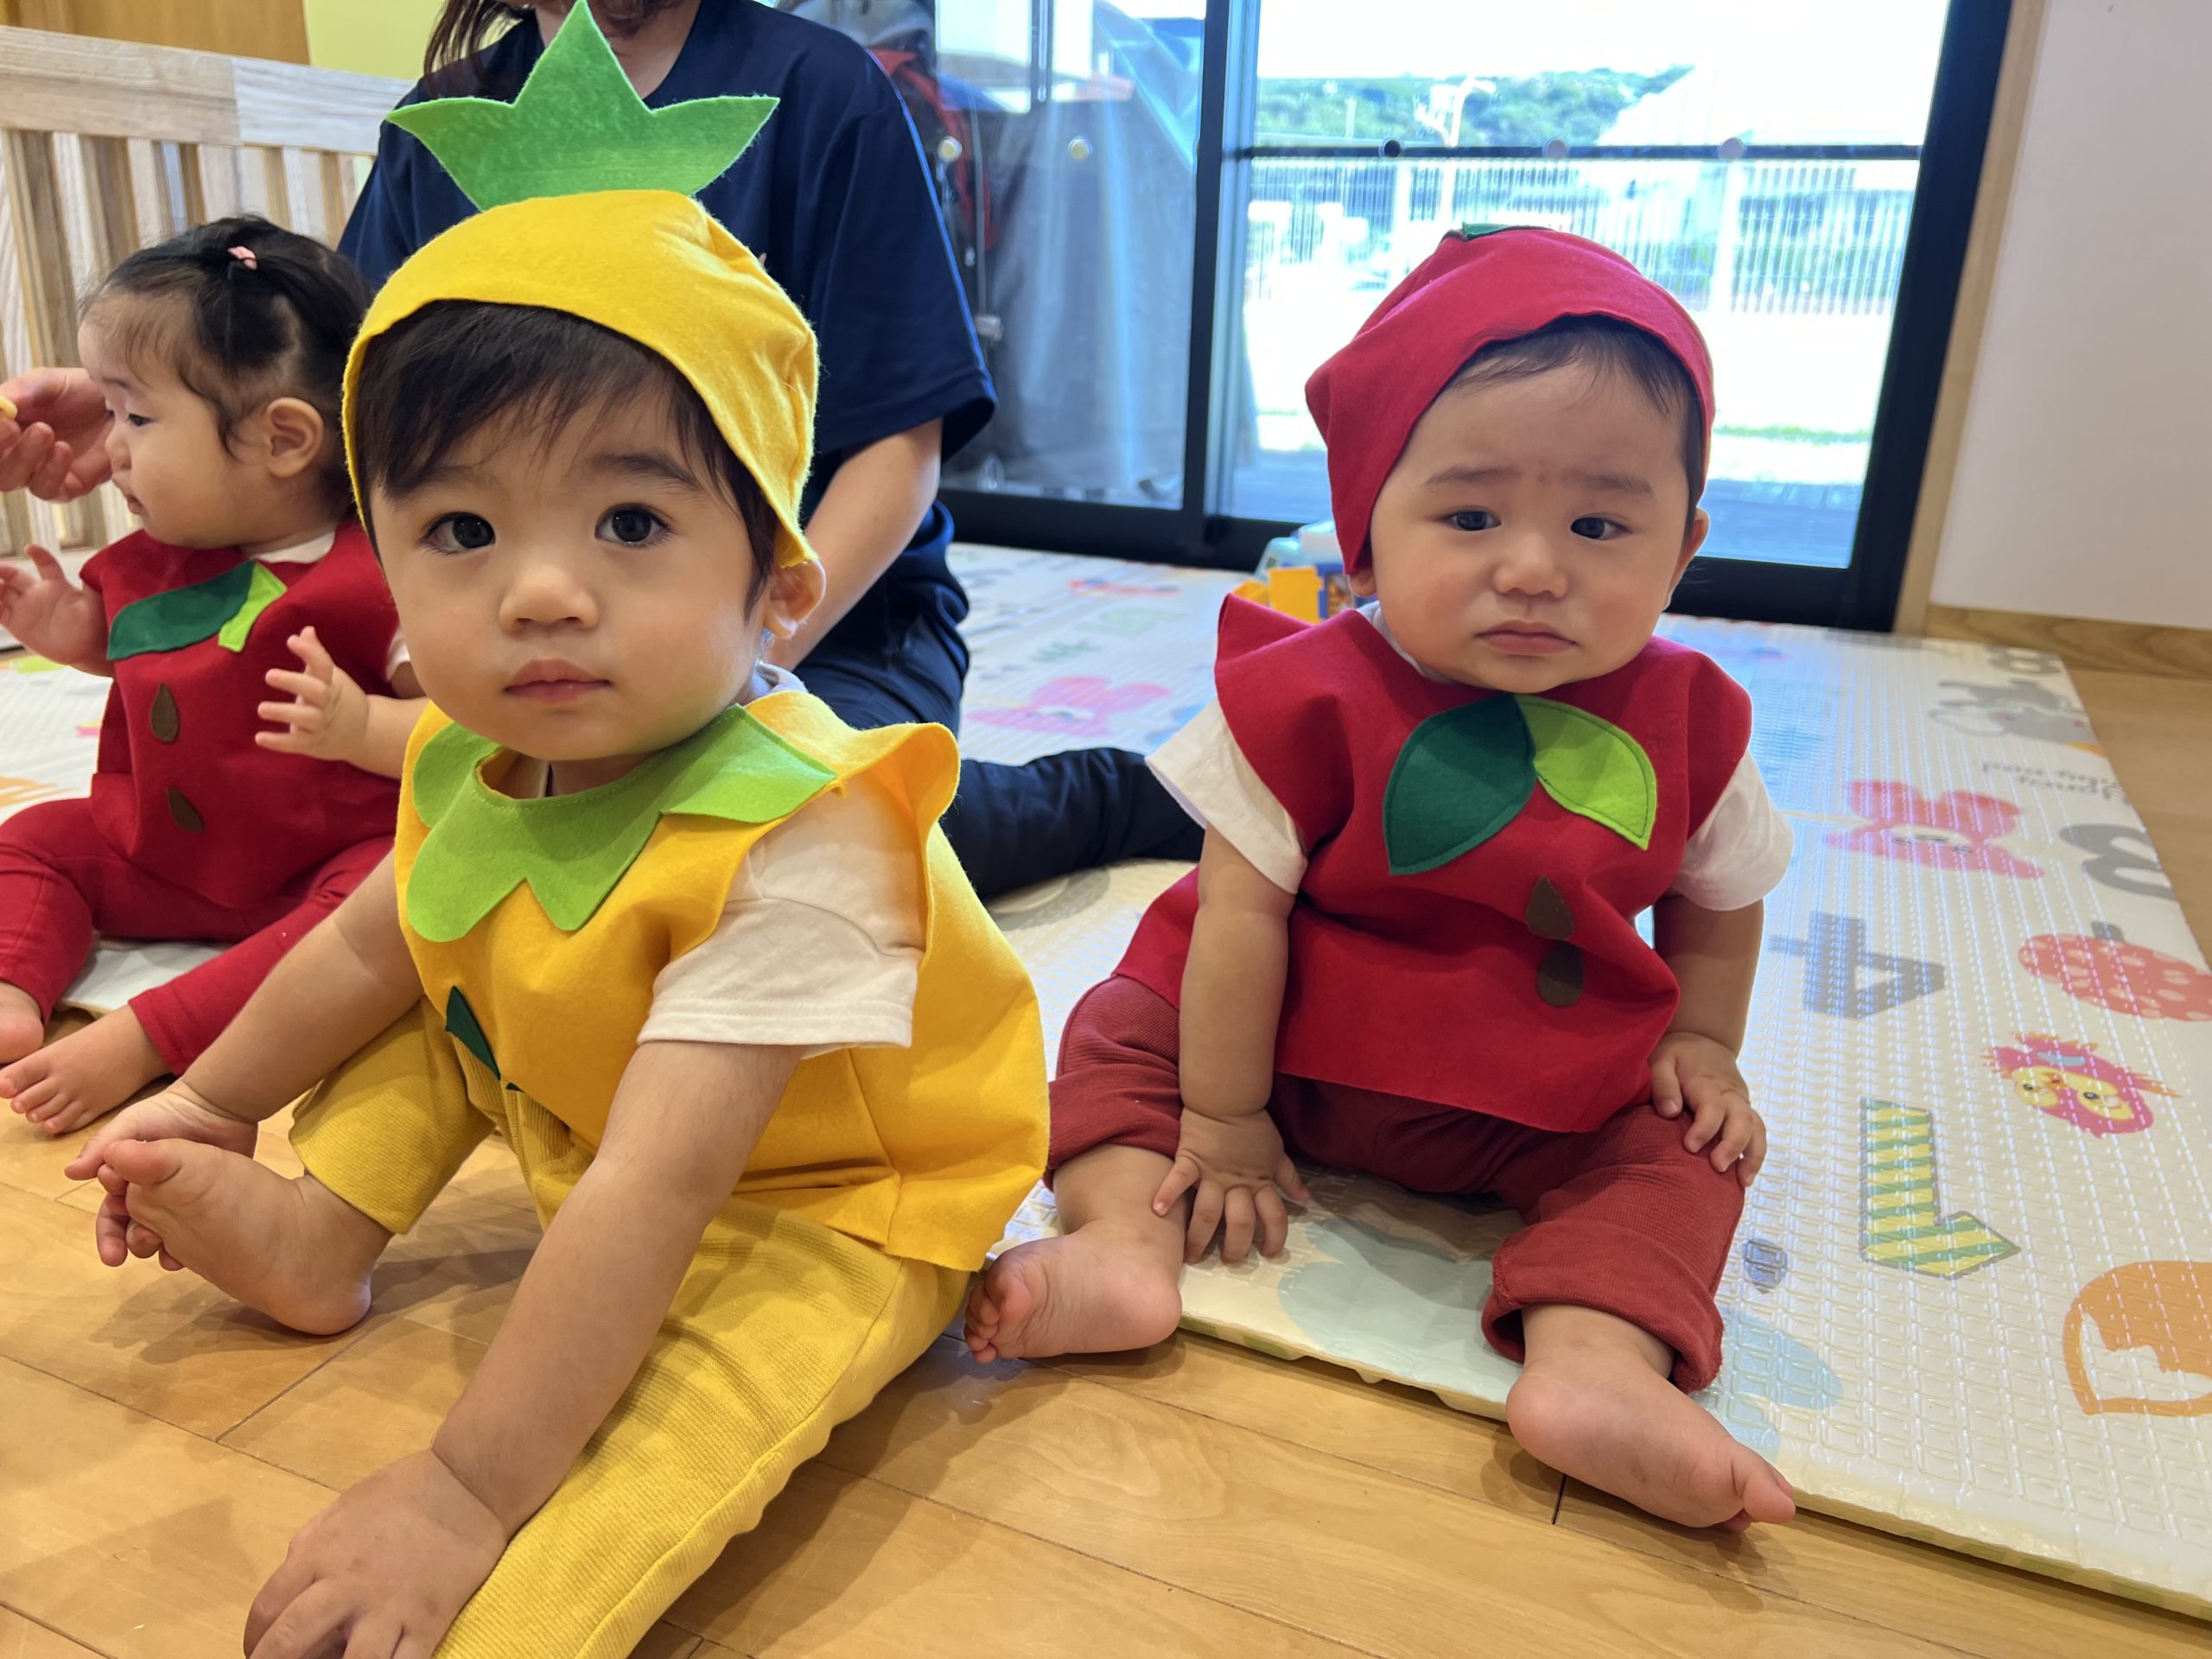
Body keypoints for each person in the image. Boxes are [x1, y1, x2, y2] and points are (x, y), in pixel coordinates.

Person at [68, 18, 1046, 1651]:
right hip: (583, 1103)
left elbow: (656, 1190)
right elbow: (367, 944)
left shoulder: (807, 837)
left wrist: (462, 1488)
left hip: (827, 1192)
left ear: (777, 585)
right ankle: (318, 1233)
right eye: (461, 526)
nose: (537, 591)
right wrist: (211, 1104)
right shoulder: (473, 745)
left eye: (631, 520)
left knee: (706, 1403)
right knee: (437, 990)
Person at [966, 227, 1801, 1534]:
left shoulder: (1697, 723)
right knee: (1128, 1023)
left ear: (1681, 547)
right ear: (1361, 541)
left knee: (1682, 1146)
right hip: (1277, 1059)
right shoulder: (1296, 699)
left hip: (1542, 1089)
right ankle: (1122, 1247)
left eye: (1599, 525)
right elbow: (1239, 919)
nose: (1534, 569)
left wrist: (1701, 1044)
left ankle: (1596, 1361)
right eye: (1470, 518)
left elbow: (1721, 893)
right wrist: (1224, 1120)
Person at [0, 0, 1199, 898]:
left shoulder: (822, 90)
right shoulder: (444, 122)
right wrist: (146, 408)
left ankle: (1098, 796)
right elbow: (340, 407)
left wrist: (745, 655)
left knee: (792, 844)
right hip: (520, 618)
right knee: (445, 838)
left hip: (812, 617)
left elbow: (898, 449)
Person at [0, 217, 422, 1132]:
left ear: (283, 439)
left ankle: (151, 1038)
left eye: (137, 417)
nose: (113, 447)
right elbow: (151, 658)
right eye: (109, 412)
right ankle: (14, 986)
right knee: (34, 838)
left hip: (322, 868)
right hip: (165, 848)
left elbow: (469, 738)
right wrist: (66, 630)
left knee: (396, 899)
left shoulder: (378, 577)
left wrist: (363, 728)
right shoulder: (156, 555)